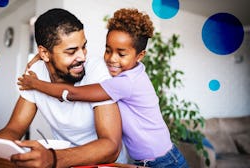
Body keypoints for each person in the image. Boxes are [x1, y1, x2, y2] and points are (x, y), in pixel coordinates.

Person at [0, 8, 128, 167]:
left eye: (84, 47)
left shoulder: (97, 70)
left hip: (107, 165)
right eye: (71, 51)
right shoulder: (35, 74)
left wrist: (53, 158)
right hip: (65, 163)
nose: (82, 56)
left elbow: (111, 146)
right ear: (44, 54)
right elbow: (14, 128)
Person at [18, 8, 189, 168]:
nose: (112, 59)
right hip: (147, 160)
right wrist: (39, 59)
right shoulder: (124, 72)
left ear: (140, 56)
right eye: (108, 50)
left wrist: (35, 84)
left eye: (121, 54)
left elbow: (74, 93)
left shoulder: (125, 82)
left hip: (165, 161)